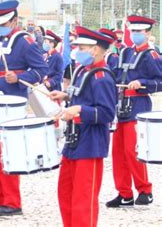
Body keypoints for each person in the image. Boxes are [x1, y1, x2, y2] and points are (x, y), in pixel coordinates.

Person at [0, 0, 48, 216]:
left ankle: (13, 201)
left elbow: (42, 70)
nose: (0, 27)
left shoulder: (26, 42)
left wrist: (20, 76)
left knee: (8, 153)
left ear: (14, 20)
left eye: (4, 22)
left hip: (12, 104)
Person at [49, 26, 117, 227]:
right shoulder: (82, 70)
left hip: (91, 144)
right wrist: (66, 95)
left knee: (83, 200)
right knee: (66, 193)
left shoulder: (102, 77)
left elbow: (106, 113)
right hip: (74, 141)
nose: (77, 50)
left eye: (81, 47)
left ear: (95, 49)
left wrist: (79, 109)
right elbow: (81, 93)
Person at [107, 15, 162, 208]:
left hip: (138, 105)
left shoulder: (152, 55)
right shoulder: (125, 52)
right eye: (133, 31)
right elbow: (114, 73)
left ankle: (145, 191)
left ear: (148, 33)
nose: (135, 35)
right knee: (118, 151)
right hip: (120, 104)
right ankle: (124, 194)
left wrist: (143, 83)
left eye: (139, 32)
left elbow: (159, 81)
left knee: (133, 150)